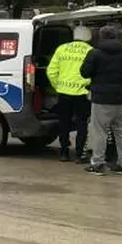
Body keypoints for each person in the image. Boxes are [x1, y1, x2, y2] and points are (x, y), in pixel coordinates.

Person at [80, 25, 122, 176]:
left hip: (101, 98)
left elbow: (84, 72)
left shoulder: (95, 53)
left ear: (101, 36)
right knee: (121, 131)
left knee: (100, 131)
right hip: (121, 99)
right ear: (117, 36)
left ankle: (98, 163)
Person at [46, 26, 93, 162]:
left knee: (64, 122)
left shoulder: (62, 49)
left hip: (63, 92)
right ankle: (80, 153)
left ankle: (64, 152)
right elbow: (94, 73)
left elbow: (51, 71)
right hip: (82, 93)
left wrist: (57, 85)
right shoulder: (90, 51)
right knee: (82, 123)